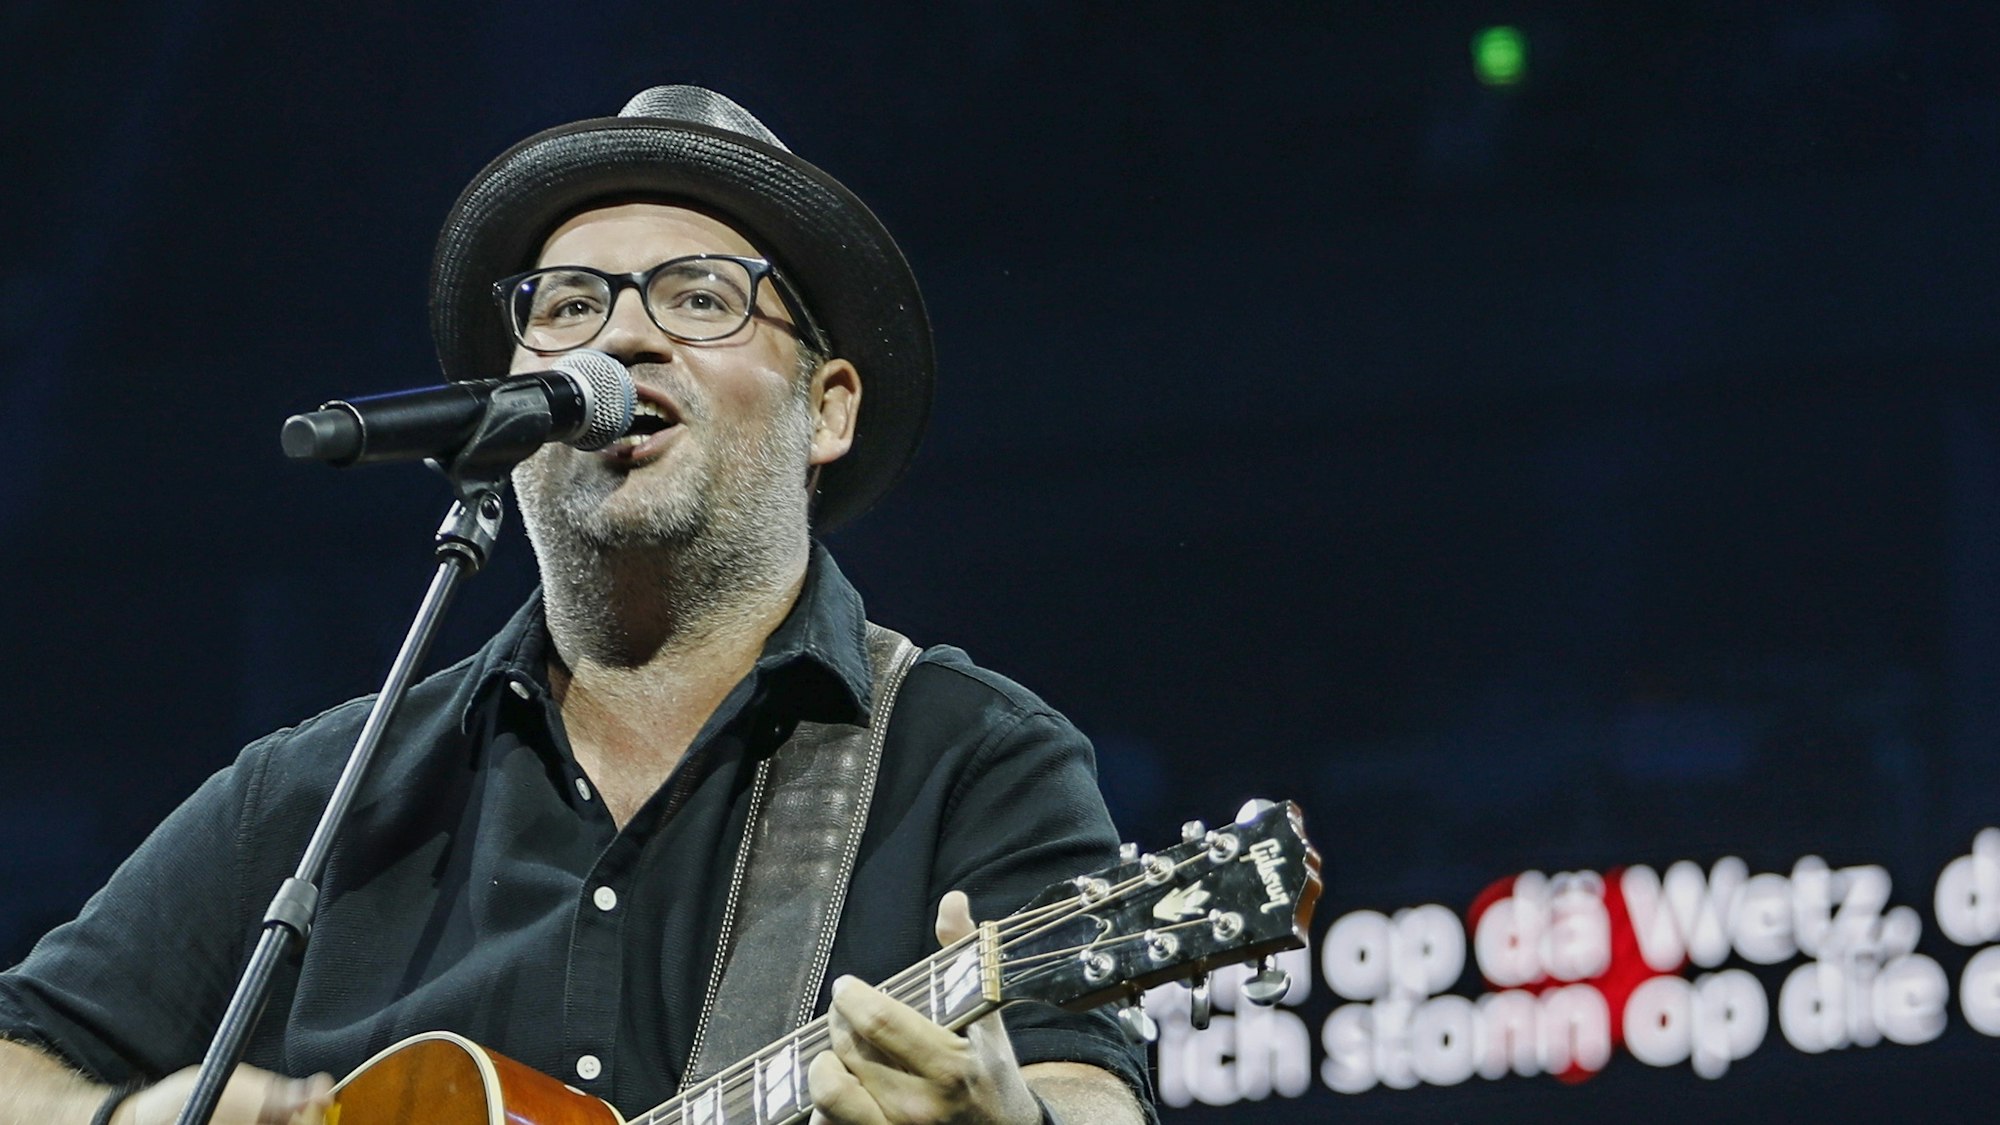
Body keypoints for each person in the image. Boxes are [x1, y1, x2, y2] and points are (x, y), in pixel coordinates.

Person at [0, 87, 1154, 1125]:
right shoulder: (317, 795)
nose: (621, 336)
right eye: (565, 307)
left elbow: (1082, 1089)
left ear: (829, 411)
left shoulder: (973, 759)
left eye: (699, 297)